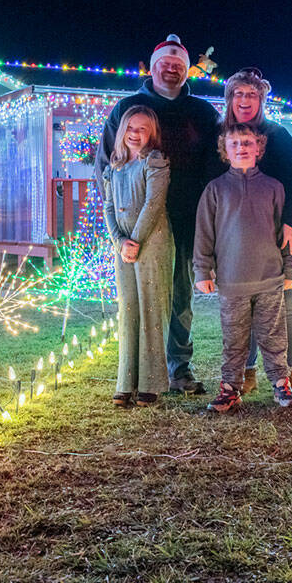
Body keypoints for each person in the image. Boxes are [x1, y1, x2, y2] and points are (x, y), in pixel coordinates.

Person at [95, 35, 222, 395]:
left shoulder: (202, 113)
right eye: (165, 64)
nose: (171, 69)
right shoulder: (128, 108)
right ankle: (137, 374)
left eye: (178, 65)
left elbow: (215, 164)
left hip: (185, 216)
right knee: (138, 299)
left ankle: (178, 368)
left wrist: (210, 211)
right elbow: (107, 163)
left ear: (186, 71)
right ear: (152, 68)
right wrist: (117, 223)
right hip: (136, 223)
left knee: (181, 296)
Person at [194, 123, 292, 412]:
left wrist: (290, 270)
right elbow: (204, 233)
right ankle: (230, 389)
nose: (241, 148)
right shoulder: (215, 190)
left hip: (270, 280)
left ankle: (281, 384)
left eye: (248, 142)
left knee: (274, 337)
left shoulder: (274, 188)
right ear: (225, 151)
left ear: (259, 148)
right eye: (235, 144)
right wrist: (202, 270)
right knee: (234, 340)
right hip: (231, 283)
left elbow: (286, 235)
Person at [220, 68, 292, 400]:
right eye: (238, 94)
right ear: (230, 99)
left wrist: (291, 222)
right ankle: (248, 372)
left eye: (252, 95)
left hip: (276, 232)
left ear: (262, 100)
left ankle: (288, 373)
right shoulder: (222, 134)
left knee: (285, 301)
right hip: (236, 237)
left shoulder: (279, 135)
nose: (245, 100)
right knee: (243, 305)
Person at [102, 106, 174, 407]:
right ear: (122, 131)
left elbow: (153, 204)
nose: (135, 133)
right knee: (129, 309)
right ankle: (126, 380)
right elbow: (107, 207)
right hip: (123, 247)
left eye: (143, 128)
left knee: (151, 310)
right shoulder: (114, 166)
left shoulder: (154, 162)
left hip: (152, 242)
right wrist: (119, 240)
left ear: (152, 133)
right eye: (130, 127)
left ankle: (151, 382)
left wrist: (135, 240)